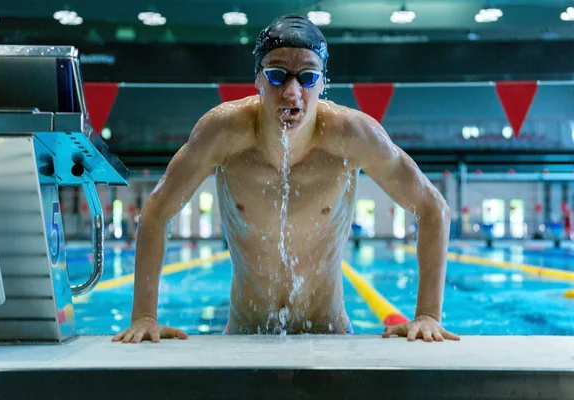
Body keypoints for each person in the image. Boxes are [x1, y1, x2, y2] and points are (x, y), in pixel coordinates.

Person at [112, 14, 460, 343]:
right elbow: (157, 210)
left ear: (323, 82)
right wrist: (144, 316)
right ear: (258, 79)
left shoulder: (352, 136)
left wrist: (428, 314)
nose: (292, 93)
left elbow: (434, 208)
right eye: (277, 75)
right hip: (245, 334)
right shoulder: (223, 132)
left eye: (308, 77)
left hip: (330, 334)